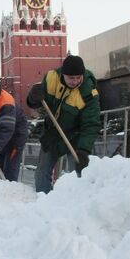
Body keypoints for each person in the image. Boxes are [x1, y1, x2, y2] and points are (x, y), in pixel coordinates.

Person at [27, 55, 101, 193]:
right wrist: (33, 97)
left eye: (78, 77)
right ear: (63, 74)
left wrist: (83, 151)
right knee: (41, 174)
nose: (75, 81)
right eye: (71, 78)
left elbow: (91, 124)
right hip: (52, 133)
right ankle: (43, 203)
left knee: (78, 175)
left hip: (76, 138)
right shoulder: (51, 79)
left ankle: (76, 204)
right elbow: (39, 105)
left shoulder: (89, 93)